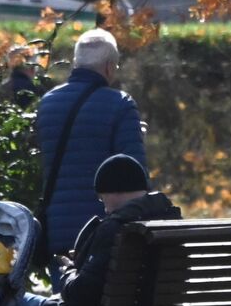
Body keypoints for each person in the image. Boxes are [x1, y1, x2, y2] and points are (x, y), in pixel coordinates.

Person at [0, 155, 181, 306]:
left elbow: (79, 294)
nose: (103, 206)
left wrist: (69, 271)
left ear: (112, 192)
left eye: (102, 197)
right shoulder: (170, 224)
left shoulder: (118, 230)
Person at [33, 28, 146, 274]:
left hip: (58, 231)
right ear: (108, 66)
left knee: (66, 305)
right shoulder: (120, 105)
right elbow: (134, 177)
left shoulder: (48, 103)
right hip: (103, 232)